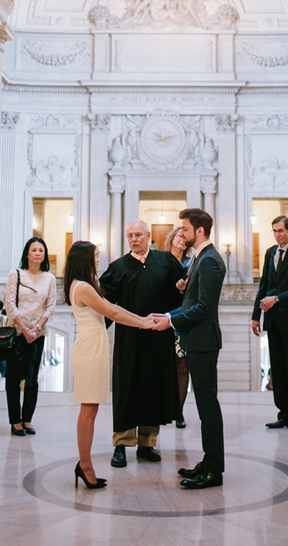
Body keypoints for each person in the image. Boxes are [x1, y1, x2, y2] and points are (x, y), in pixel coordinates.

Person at [64, 241, 155, 489]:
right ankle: (85, 465)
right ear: (84, 259)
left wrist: (142, 319)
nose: (97, 260)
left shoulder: (87, 285)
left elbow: (113, 308)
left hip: (95, 347)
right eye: (95, 257)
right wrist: (143, 323)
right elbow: (111, 313)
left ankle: (85, 464)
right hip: (89, 350)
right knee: (89, 410)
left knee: (90, 409)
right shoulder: (82, 287)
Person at [152, 208, 226, 489]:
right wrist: (168, 311)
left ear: (199, 231)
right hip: (197, 339)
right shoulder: (200, 258)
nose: (180, 233)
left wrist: (170, 321)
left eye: (184, 229)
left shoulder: (209, 261)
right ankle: (209, 462)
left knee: (208, 407)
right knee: (205, 406)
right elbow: (192, 300)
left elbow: (204, 308)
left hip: (204, 342)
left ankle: (214, 470)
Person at [100, 220, 183, 467]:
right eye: (130, 235)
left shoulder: (166, 262)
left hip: (158, 338)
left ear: (149, 236)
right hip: (129, 340)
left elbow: (180, 292)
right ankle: (121, 444)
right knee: (127, 389)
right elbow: (103, 302)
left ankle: (148, 443)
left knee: (153, 389)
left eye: (138, 234)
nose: (134, 239)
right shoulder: (118, 268)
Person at [251, 215, 288, 432]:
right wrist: (256, 315)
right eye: (274, 231)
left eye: (281, 231)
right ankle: (283, 413)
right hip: (272, 320)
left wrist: (276, 299)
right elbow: (264, 285)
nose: (277, 235)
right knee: (277, 367)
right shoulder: (270, 253)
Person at [4, 236, 56, 436]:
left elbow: (50, 306)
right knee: (13, 379)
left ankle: (27, 419)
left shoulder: (49, 278)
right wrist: (25, 329)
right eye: (34, 250)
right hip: (18, 332)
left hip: (38, 334)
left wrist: (35, 329)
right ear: (27, 253)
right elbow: (10, 304)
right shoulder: (16, 274)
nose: (37, 254)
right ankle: (15, 421)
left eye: (41, 251)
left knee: (33, 379)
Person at [165, 226, 193, 428]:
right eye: (179, 236)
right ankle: (162, 406)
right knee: (164, 366)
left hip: (183, 319)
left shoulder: (191, 264)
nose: (182, 240)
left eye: (185, 237)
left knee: (183, 366)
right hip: (162, 319)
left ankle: (179, 411)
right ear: (171, 238)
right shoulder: (160, 261)